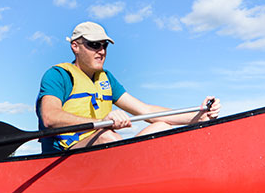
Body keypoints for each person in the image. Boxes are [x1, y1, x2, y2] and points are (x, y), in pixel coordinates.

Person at [36, 21, 220, 153]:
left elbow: (146, 110)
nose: (101, 51)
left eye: (104, 45)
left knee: (161, 126)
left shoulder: (106, 79)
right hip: (62, 155)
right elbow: (50, 117)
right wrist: (102, 123)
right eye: (93, 45)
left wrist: (199, 116)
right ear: (75, 46)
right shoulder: (57, 75)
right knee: (107, 135)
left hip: (101, 151)